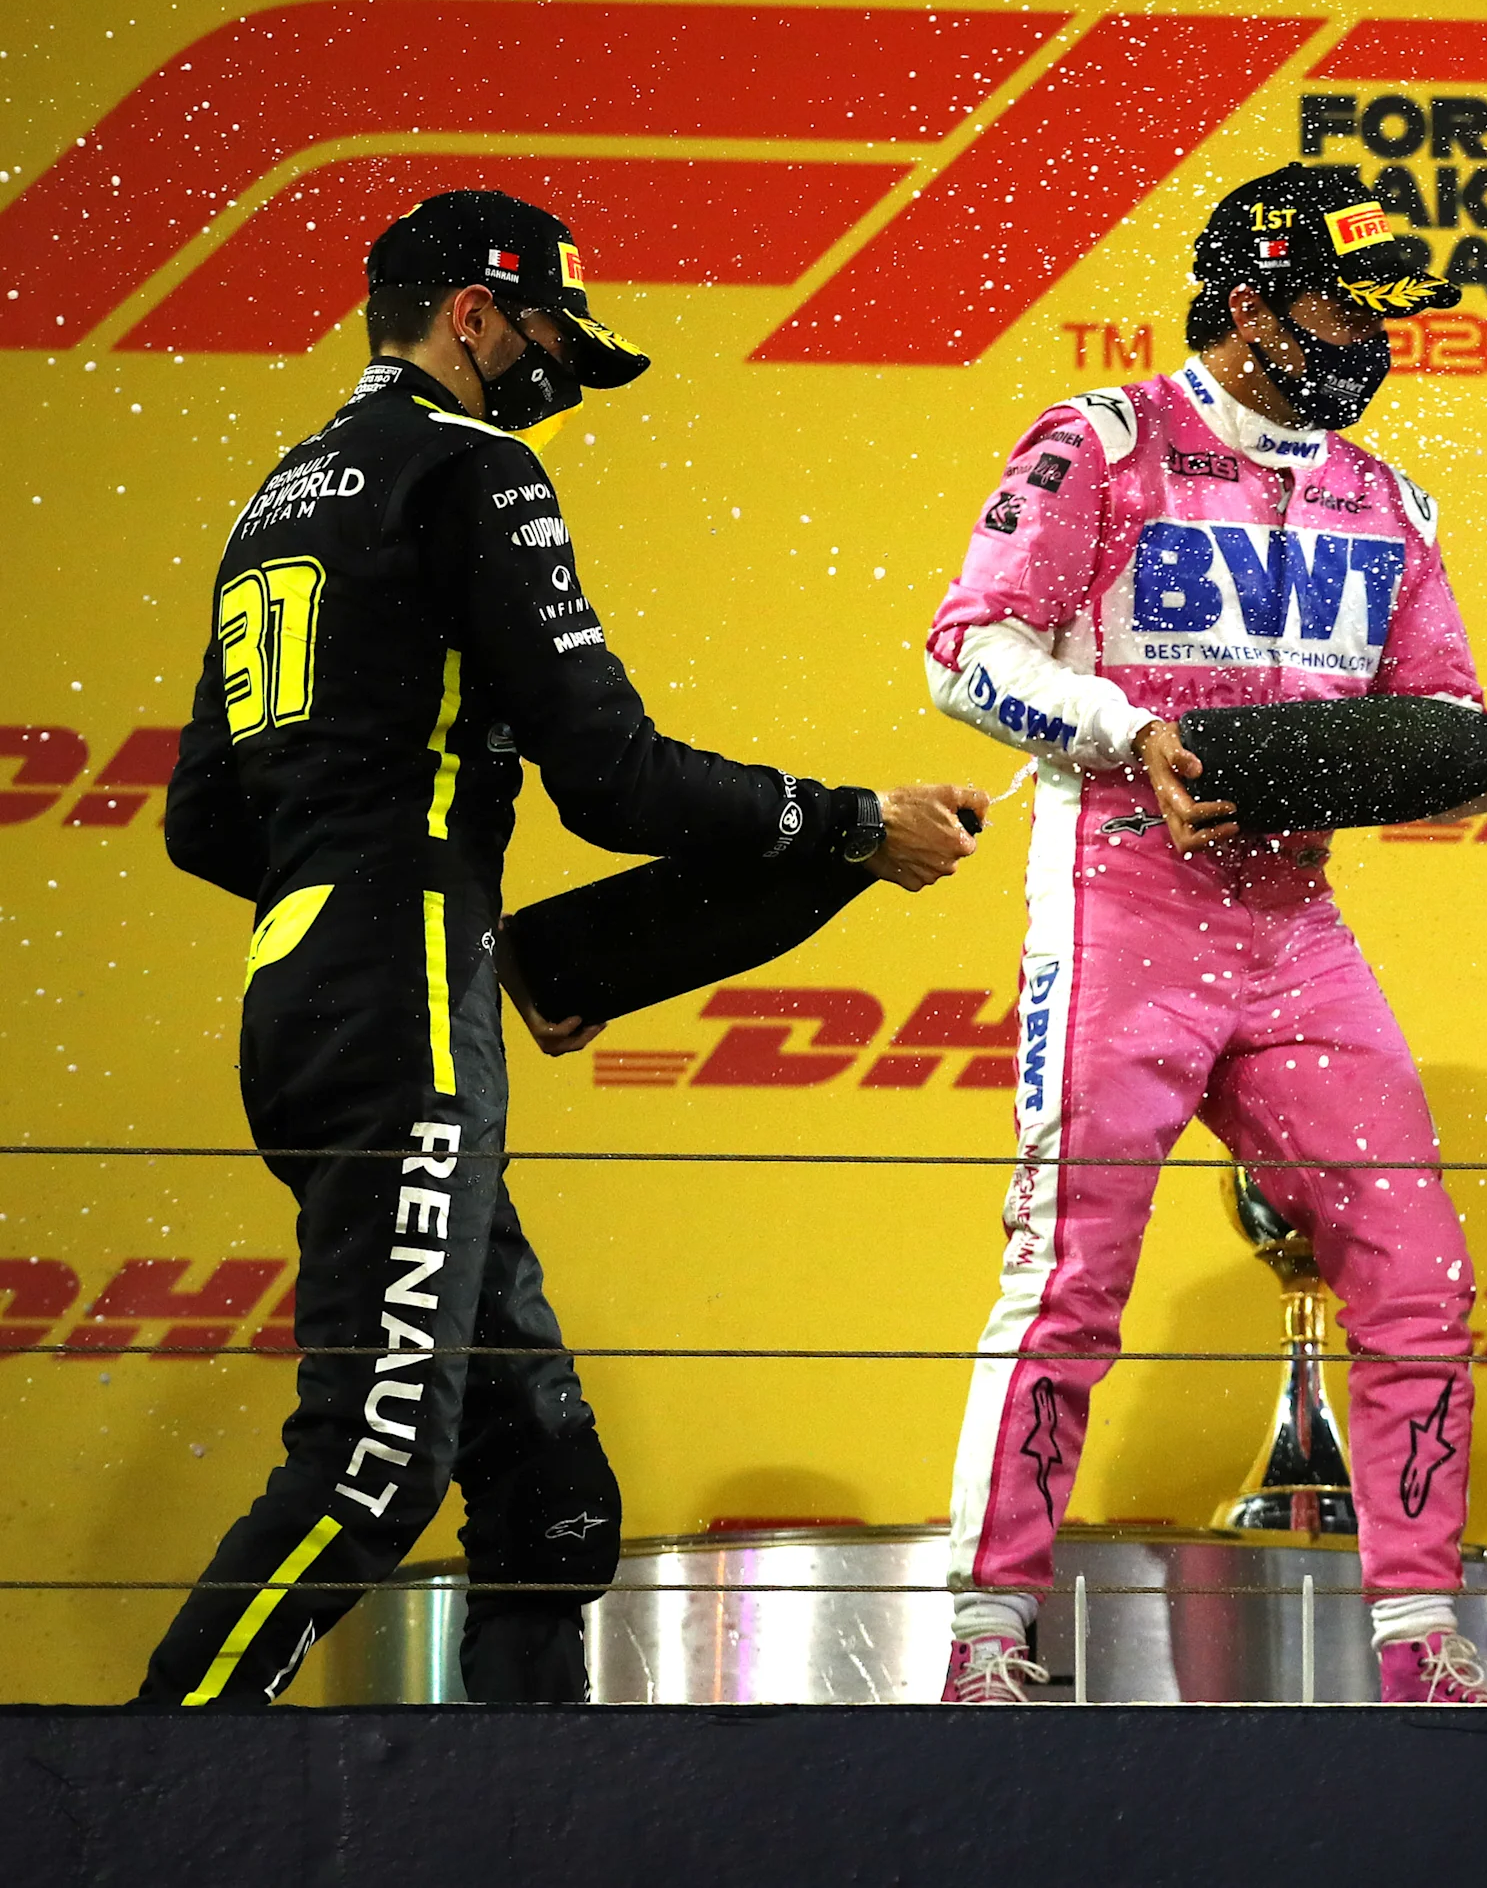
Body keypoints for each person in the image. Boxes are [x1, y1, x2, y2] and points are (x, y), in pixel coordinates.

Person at [142, 190, 980, 1706]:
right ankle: (134, 1797)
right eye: (545, 334)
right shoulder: (472, 468)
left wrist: (391, 902)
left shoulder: (282, 491)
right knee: (371, 1475)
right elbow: (613, 779)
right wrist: (852, 821)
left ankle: (513, 1836)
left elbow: (203, 822)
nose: (554, 375)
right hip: (402, 998)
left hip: (313, 983)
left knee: (547, 1494)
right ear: (471, 312)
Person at [921, 162, 1487, 1705]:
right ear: (1248, 303)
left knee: (1419, 1267)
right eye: (1344, 305)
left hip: (1294, 922)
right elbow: (966, 651)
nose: (1373, 338)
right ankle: (987, 1637)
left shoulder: (1389, 500)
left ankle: (1419, 1640)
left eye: (1386, 310)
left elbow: (1428, 737)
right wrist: (1129, 735)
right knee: (1071, 1275)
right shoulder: (1100, 442)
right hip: (1119, 892)